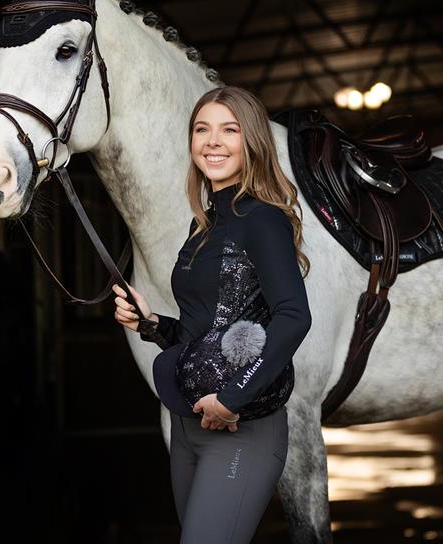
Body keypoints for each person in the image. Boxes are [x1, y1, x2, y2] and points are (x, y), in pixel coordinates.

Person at [112, 85, 312, 543]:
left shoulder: (263, 219)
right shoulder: (203, 224)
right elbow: (202, 332)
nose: (213, 141)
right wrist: (151, 323)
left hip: (241, 429)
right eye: (202, 129)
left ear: (253, 141)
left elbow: (293, 316)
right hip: (189, 428)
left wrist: (233, 398)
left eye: (229, 129)